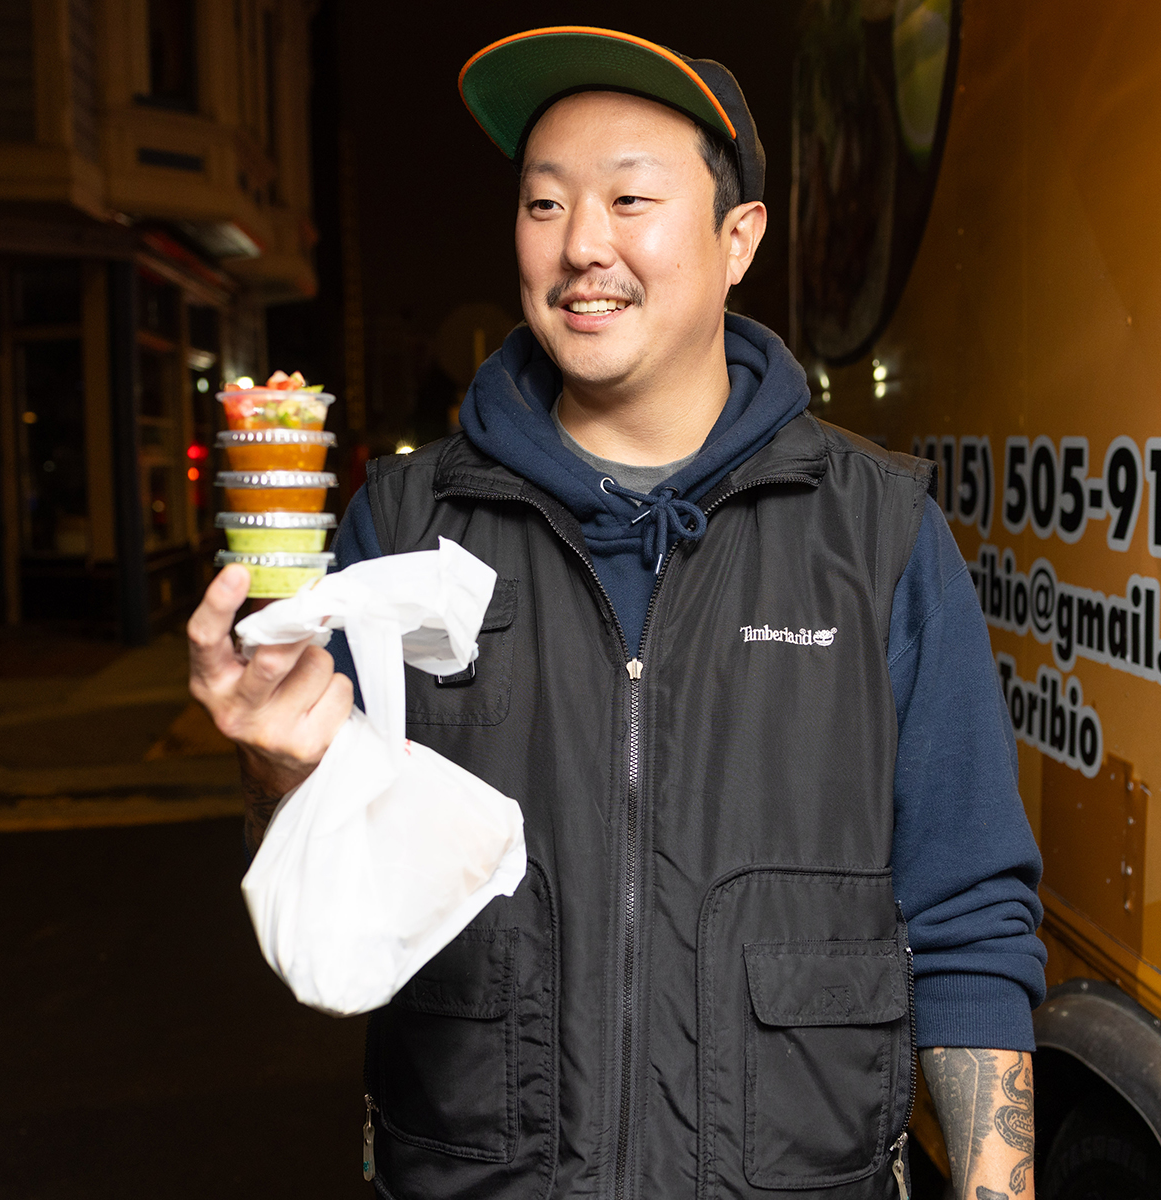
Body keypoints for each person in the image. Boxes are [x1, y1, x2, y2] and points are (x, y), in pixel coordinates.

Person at [188, 26, 1044, 1200]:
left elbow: (968, 912)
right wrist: (276, 771)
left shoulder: (879, 536)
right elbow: (324, 901)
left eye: (631, 198)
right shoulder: (404, 523)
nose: (583, 245)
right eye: (544, 206)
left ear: (738, 239)